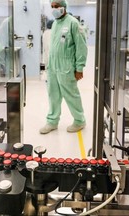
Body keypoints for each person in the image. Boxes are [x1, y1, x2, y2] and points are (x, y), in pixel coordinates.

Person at [40, 0, 88, 134]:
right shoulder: (55, 23)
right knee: (53, 94)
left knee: (71, 94)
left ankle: (79, 120)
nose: (54, 9)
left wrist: (79, 68)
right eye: (52, 7)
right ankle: (52, 122)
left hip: (66, 67)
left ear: (64, 7)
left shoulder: (73, 23)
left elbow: (81, 47)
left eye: (57, 6)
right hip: (53, 67)